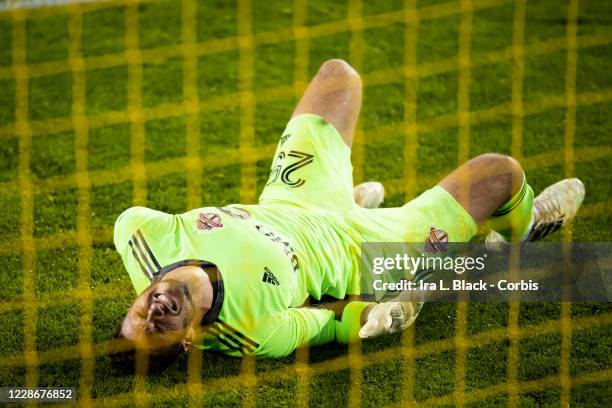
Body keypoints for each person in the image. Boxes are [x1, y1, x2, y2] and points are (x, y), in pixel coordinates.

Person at [111, 59, 584, 371]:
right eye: (160, 330)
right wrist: (380, 316)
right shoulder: (252, 332)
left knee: (340, 76)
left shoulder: (142, 235)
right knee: (499, 173)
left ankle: (348, 195)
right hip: (360, 247)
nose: (153, 313)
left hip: (291, 198)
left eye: (139, 315)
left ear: (135, 300)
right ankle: (524, 229)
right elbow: (332, 323)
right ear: (189, 339)